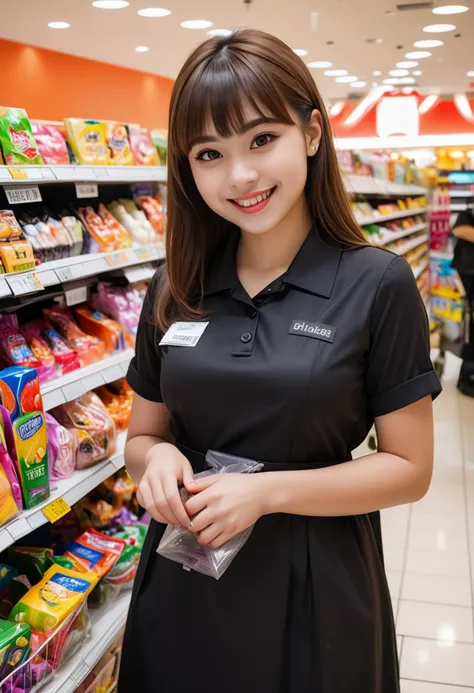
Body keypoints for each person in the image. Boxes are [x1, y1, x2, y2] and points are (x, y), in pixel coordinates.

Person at [118, 29, 441, 693]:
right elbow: (142, 438)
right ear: (187, 166)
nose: (240, 176)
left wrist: (266, 492)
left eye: (262, 139)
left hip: (315, 588)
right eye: (210, 152)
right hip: (183, 581)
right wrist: (161, 462)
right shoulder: (174, 285)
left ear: (312, 134)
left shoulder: (377, 284)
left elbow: (410, 468)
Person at [451, 206, 474, 393]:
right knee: (470, 324)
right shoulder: (467, 212)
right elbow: (459, 229)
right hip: (468, 270)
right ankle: (466, 376)